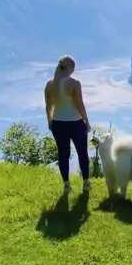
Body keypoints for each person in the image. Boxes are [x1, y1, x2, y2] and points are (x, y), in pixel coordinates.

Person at [44, 55, 91, 195]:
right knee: (82, 153)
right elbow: (80, 105)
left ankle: (66, 185)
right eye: (73, 67)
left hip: (58, 124)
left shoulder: (50, 84)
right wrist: (87, 121)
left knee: (63, 155)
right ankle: (86, 183)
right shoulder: (74, 83)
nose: (74, 70)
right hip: (76, 124)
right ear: (69, 68)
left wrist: (49, 122)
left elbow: (48, 107)